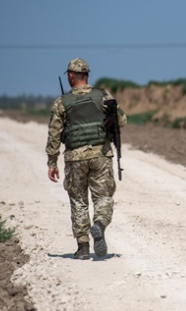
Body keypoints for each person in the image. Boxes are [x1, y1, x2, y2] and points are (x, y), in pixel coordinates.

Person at [46, 58, 127, 260]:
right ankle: (99, 224)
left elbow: (54, 134)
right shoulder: (103, 96)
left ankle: (82, 248)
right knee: (103, 197)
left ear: (71, 76)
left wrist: (52, 162)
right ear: (87, 76)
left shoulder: (61, 102)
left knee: (78, 201)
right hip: (101, 155)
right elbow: (122, 121)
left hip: (75, 158)